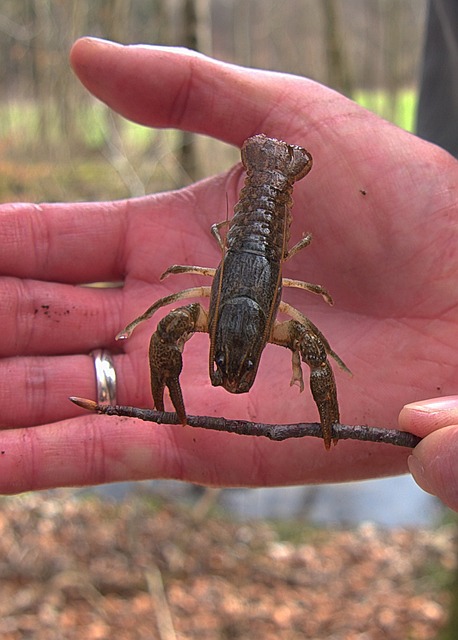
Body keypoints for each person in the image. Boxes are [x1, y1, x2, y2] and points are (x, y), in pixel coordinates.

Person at [0, 38, 456, 509]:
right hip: (249, 243)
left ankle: (320, 423)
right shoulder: (264, 324)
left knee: (287, 344)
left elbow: (299, 345)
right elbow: (188, 328)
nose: (232, 374)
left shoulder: (236, 316)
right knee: (266, 340)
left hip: (262, 227)